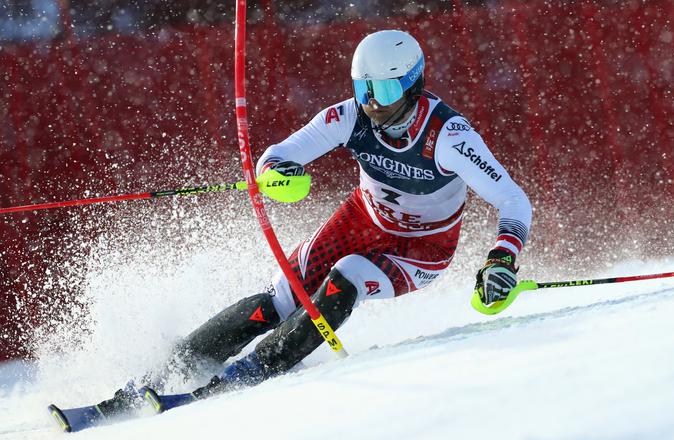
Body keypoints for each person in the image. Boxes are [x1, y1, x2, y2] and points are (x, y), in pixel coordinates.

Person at [101, 29, 532, 411]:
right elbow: (280, 154)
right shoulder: (350, 116)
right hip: (361, 219)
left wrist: (501, 260)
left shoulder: (450, 137)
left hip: (420, 248)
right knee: (283, 296)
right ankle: (161, 373)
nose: (372, 105)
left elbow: (513, 201)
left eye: (383, 91)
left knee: (347, 276)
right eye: (364, 90)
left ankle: (253, 370)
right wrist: (277, 172)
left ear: (412, 84)